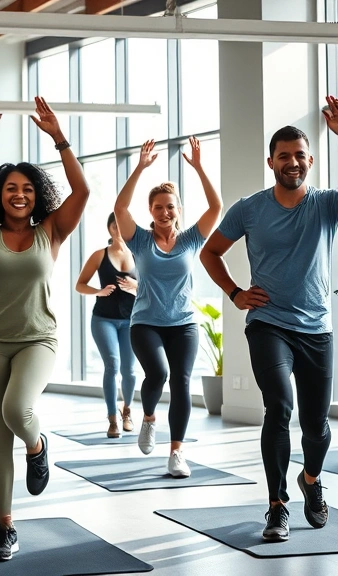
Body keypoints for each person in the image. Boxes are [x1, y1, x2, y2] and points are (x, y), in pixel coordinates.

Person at [199, 96, 338, 542]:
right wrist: (236, 292)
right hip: (268, 323)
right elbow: (210, 252)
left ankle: (311, 482)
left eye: (299, 156)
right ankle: (277, 505)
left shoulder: (324, 204)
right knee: (279, 407)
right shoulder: (249, 209)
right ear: (271, 162)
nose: (292, 162)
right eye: (284, 156)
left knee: (316, 426)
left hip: (317, 329)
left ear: (310, 161)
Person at [0, 93, 89, 562]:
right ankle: (5, 527)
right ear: (0, 194)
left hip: (37, 339)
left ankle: (39, 444)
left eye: (27, 188)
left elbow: (82, 193)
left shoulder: (52, 229)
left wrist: (60, 139)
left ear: (36, 194)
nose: (19, 194)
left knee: (18, 410)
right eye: (11, 187)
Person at [113, 136, 222, 478]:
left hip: (183, 323)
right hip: (145, 321)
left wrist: (201, 168)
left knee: (182, 382)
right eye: (158, 207)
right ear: (151, 211)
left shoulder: (191, 239)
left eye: (170, 206)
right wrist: (140, 168)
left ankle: (176, 452)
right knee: (157, 374)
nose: (164, 212)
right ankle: (148, 418)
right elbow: (120, 209)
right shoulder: (140, 240)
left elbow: (216, 207)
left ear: (178, 210)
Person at [75, 213, 139, 438]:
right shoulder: (99, 255)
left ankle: (127, 411)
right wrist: (98, 292)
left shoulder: (138, 254)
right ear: (110, 228)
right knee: (112, 364)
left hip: (131, 321)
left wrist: (135, 285)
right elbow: (79, 285)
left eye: (123, 225)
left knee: (129, 371)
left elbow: (151, 287)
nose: (119, 229)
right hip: (103, 319)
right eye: (115, 225)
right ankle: (112, 419)